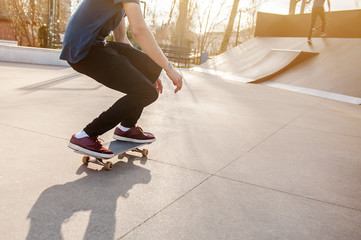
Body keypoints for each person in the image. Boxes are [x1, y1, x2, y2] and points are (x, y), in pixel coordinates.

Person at [60, 0, 183, 158]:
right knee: (148, 92)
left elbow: (121, 38)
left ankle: (126, 129)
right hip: (84, 50)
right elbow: (139, 30)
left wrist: (144, 71)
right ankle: (85, 135)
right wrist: (169, 68)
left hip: (93, 45)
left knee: (150, 67)